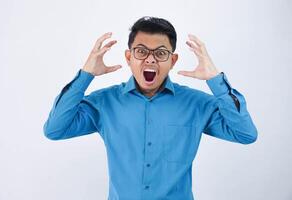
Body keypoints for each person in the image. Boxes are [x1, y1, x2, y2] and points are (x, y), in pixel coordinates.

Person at [43, 16, 258, 200]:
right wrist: (85, 75)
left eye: (161, 53)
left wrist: (215, 79)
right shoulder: (104, 103)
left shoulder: (197, 104)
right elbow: (55, 129)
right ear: (129, 57)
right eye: (141, 51)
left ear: (172, 61)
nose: (151, 59)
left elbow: (245, 134)